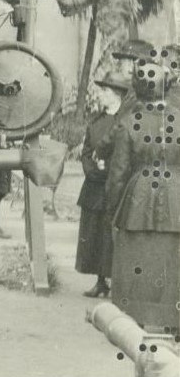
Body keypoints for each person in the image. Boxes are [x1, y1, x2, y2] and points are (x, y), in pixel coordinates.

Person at [106, 50, 180, 331]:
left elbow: (118, 174)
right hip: (177, 196)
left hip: (137, 197)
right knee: (173, 259)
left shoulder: (128, 123)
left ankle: (134, 319)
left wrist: (112, 212)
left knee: (136, 258)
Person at [75, 72, 129, 298]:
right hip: (94, 185)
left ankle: (115, 281)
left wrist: (106, 171)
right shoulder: (96, 120)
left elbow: (125, 154)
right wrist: (91, 170)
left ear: (116, 94)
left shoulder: (125, 121)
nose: (100, 95)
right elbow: (87, 151)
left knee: (111, 235)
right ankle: (100, 281)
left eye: (105, 91)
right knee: (94, 232)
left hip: (114, 185)